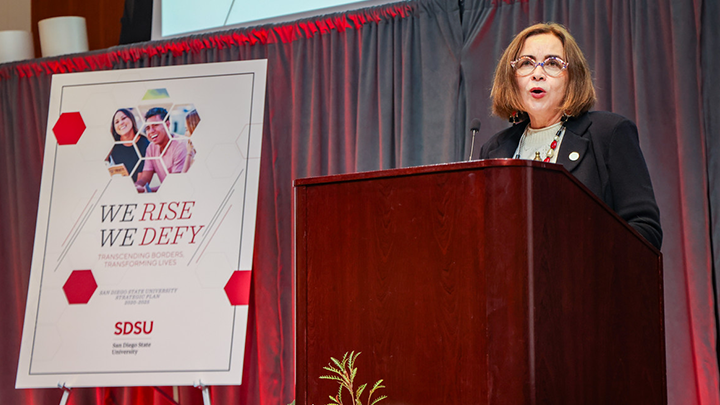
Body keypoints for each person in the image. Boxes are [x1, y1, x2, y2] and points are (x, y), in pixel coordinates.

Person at [479, 23, 662, 249]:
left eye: (553, 63)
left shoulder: (608, 133)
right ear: (512, 78)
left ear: (571, 78)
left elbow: (645, 230)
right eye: (526, 63)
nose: (537, 74)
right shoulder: (495, 149)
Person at [135, 107, 187, 193]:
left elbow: (175, 184)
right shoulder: (151, 148)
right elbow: (145, 178)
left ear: (167, 125)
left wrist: (147, 190)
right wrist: (136, 186)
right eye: (148, 128)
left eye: (155, 125)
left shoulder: (180, 145)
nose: (151, 131)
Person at [107, 108, 148, 182]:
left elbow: (141, 180)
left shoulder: (144, 143)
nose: (121, 123)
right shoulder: (113, 146)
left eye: (124, 118)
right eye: (116, 122)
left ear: (131, 119)